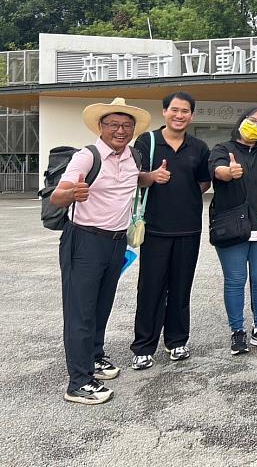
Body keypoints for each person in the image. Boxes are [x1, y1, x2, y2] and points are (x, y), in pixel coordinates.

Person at [51, 97, 151, 405]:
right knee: (80, 311)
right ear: (101, 127)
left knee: (101, 305)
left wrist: (153, 177)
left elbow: (135, 180)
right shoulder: (86, 156)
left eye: (126, 126)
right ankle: (78, 381)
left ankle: (94, 356)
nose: (120, 131)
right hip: (84, 240)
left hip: (116, 242)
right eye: (114, 125)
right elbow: (57, 196)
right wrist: (73, 193)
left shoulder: (132, 155)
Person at [130, 92, 211, 370]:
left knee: (180, 287)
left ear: (192, 115)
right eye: (174, 110)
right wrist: (152, 177)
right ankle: (143, 346)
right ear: (164, 111)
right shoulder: (148, 141)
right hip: (155, 228)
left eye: (185, 111)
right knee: (151, 287)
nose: (179, 115)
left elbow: (203, 182)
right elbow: (133, 176)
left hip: (189, 228)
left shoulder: (199, 147)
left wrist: (183, 196)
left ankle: (176, 341)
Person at [210, 107, 257, 355]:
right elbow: (217, 171)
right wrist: (228, 172)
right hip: (232, 228)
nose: (255, 126)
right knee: (235, 281)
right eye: (251, 120)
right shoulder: (223, 149)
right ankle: (237, 332)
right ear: (241, 121)